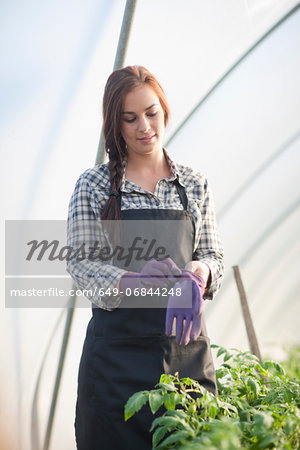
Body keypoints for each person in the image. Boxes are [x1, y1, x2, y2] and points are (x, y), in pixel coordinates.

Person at [67, 65, 224, 450]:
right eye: (130, 118)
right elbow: (82, 263)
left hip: (185, 357)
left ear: (165, 111)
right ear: (114, 124)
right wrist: (134, 280)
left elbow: (212, 253)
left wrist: (199, 273)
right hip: (114, 367)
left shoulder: (193, 184)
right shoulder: (95, 185)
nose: (144, 127)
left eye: (152, 113)